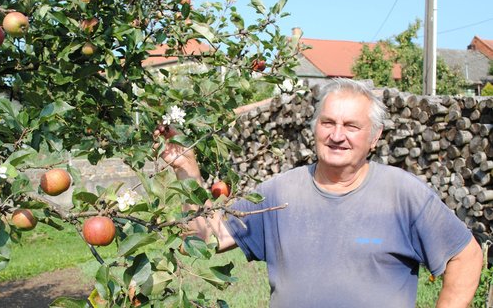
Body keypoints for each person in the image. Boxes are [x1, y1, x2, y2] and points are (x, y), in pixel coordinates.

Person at [155, 78, 483, 307]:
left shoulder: (402, 194)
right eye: (328, 123)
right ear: (315, 128)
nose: (337, 135)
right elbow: (207, 238)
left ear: (375, 136)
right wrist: (188, 172)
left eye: (351, 126)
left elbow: (466, 256)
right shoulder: (279, 192)